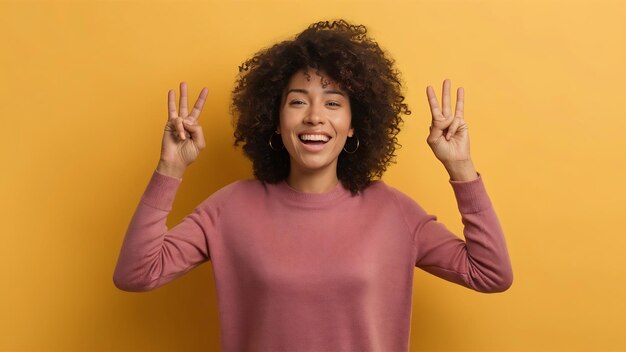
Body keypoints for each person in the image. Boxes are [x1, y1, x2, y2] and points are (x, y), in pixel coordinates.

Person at [113, 19, 513, 351]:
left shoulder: (393, 213)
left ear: (355, 125)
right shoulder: (230, 208)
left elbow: (491, 273)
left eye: (334, 103)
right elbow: (136, 273)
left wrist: (460, 167)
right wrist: (170, 168)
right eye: (298, 101)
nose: (315, 117)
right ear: (275, 117)